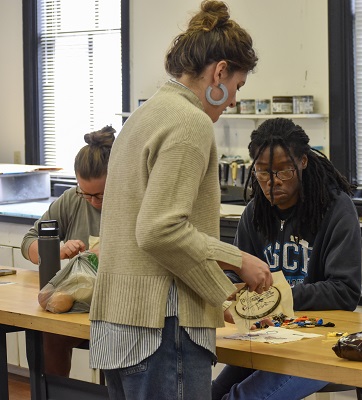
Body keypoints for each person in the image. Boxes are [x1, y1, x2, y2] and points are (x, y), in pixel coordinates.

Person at [88, 2, 272, 399]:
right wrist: (238, 260)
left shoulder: (144, 115)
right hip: (161, 329)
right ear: (219, 72)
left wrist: (215, 293)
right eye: (237, 86)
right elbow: (160, 230)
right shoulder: (190, 122)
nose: (233, 101)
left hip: (121, 326)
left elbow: (148, 229)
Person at [212, 117, 362, 400]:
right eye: (262, 173)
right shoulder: (255, 212)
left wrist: (276, 297)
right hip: (267, 335)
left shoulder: (334, 209)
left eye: (284, 172)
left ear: (303, 162)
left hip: (319, 340)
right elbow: (235, 275)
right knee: (209, 394)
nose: (273, 183)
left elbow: (344, 291)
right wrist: (234, 295)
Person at [21, 125, 115, 377]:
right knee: (50, 335)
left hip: (118, 309)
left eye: (101, 195)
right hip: (79, 308)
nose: (94, 201)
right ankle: (53, 392)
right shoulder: (73, 200)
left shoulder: (133, 202)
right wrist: (56, 249)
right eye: (86, 193)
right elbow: (29, 240)